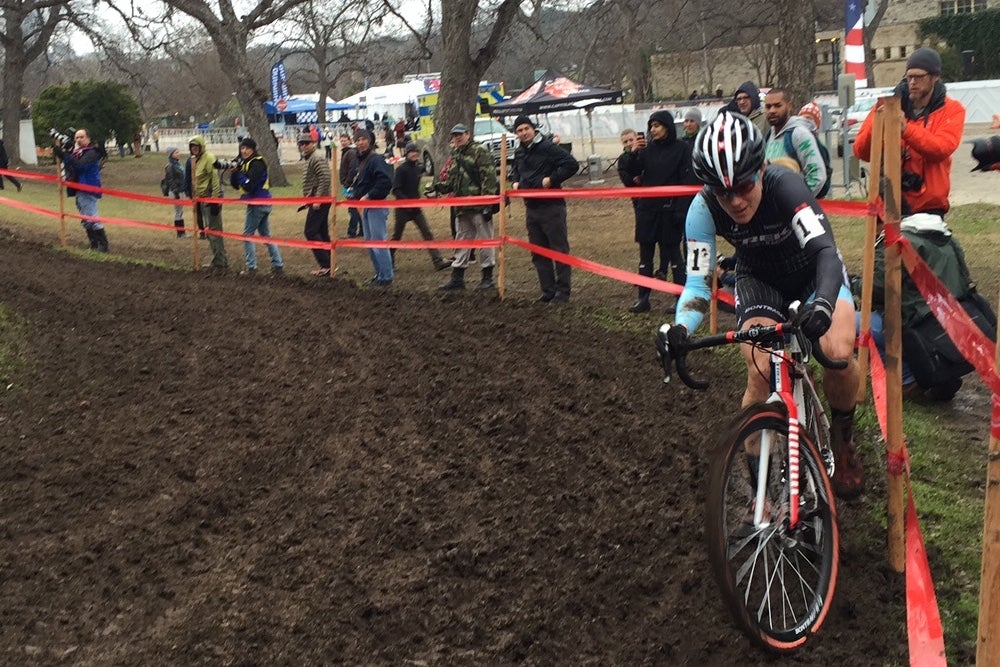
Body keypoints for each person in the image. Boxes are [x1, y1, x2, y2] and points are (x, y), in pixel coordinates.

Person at [655, 111, 864, 500]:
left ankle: (843, 436)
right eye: (722, 191)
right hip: (760, 280)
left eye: (744, 186)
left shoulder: (786, 186)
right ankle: (763, 492)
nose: (734, 201)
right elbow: (698, 284)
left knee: (836, 352)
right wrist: (681, 328)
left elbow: (825, 253)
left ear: (762, 168)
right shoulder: (702, 209)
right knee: (760, 372)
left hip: (813, 272)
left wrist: (821, 303)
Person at [861, 214, 995, 401]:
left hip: (919, 324)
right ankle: (941, 375)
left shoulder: (893, 241)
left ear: (881, 221)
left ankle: (908, 380)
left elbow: (877, 288)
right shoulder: (944, 235)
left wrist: (854, 284)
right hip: (957, 322)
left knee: (853, 323)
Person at [854, 46, 966, 217]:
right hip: (889, 203)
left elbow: (940, 149)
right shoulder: (889, 104)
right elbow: (861, 151)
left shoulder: (952, 110)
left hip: (929, 208)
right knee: (885, 245)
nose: (913, 82)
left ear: (935, 77)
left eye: (919, 77)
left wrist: (906, 129)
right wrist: (878, 124)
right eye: (909, 76)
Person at [620, 110, 696, 313]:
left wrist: (681, 209)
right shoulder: (647, 149)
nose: (653, 130)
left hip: (671, 210)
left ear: (667, 127)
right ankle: (643, 298)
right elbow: (633, 173)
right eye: (651, 126)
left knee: (673, 255)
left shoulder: (682, 148)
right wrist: (633, 152)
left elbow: (687, 180)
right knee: (645, 255)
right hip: (647, 209)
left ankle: (679, 298)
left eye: (657, 125)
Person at [511, 115, 580, 303]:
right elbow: (515, 170)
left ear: (533, 129)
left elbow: (572, 165)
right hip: (531, 207)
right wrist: (516, 181)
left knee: (558, 249)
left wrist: (551, 179)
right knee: (538, 252)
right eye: (519, 130)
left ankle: (563, 292)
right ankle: (547, 290)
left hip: (552, 206)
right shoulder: (519, 152)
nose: (524, 133)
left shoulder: (548, 148)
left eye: (526, 129)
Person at [427, 123, 500, 291]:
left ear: (468, 134)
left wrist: (487, 204)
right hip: (461, 207)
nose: (457, 138)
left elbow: (488, 178)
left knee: (485, 241)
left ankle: (487, 278)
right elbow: (452, 182)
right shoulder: (455, 154)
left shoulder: (479, 151)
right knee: (462, 241)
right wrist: (437, 188)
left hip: (479, 205)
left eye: (460, 134)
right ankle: (457, 278)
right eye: (454, 135)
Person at [391, 142, 450, 272]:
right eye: (411, 152)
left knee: (427, 233)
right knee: (397, 236)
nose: (414, 154)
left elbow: (427, 171)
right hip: (402, 209)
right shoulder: (401, 170)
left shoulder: (418, 168)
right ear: (406, 154)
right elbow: (395, 190)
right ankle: (389, 262)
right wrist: (406, 203)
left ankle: (438, 261)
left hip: (416, 208)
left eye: (416, 152)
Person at [228, 138, 283, 277]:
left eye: (247, 148)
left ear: (253, 149)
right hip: (261, 202)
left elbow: (250, 186)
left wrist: (239, 174)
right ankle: (278, 265)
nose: (244, 151)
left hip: (257, 203)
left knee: (247, 235)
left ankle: (251, 267)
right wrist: (234, 172)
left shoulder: (257, 163)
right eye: (242, 148)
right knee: (265, 236)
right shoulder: (246, 163)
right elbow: (236, 185)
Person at [348, 128, 394, 287]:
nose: (360, 143)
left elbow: (385, 182)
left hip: (376, 204)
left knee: (378, 241)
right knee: (370, 242)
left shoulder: (376, 160)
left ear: (370, 140)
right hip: (365, 206)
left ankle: (386, 276)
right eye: (357, 140)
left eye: (363, 139)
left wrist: (369, 195)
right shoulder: (359, 160)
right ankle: (379, 274)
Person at [763, 88, 828, 198]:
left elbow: (817, 176)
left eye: (778, 105)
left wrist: (797, 202)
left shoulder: (799, 134)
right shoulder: (769, 135)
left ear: (789, 106)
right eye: (768, 107)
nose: (772, 111)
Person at [53, 128, 108, 252]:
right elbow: (71, 165)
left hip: (88, 187)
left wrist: (64, 155)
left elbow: (80, 166)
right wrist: (63, 154)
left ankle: (103, 245)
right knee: (86, 218)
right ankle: (94, 243)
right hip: (78, 188)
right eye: (77, 137)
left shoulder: (92, 152)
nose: (79, 140)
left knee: (92, 216)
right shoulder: (78, 152)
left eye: (81, 137)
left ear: (88, 138)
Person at [185, 135, 227, 273]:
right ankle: (217, 260)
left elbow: (215, 179)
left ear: (202, 146)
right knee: (209, 232)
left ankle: (221, 264)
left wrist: (215, 200)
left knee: (214, 232)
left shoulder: (209, 158)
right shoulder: (194, 160)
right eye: (192, 146)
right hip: (200, 199)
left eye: (196, 146)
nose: (194, 149)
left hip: (210, 198)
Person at [298, 132, 333, 277]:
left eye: (307, 143)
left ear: (313, 143)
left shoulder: (316, 158)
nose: (304, 146)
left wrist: (318, 198)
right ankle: (331, 263)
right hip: (317, 200)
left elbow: (325, 178)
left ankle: (326, 264)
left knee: (311, 231)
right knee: (322, 232)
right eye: (302, 144)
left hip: (320, 201)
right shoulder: (310, 159)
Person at [338, 133, 363, 238]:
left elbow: (353, 169)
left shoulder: (351, 152)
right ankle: (363, 230)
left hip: (351, 185)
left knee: (353, 209)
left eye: (345, 140)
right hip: (348, 184)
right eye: (341, 140)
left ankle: (351, 231)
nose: (343, 142)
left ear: (349, 141)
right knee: (356, 208)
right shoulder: (345, 152)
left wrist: (348, 183)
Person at [163, 147, 187, 238]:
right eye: (176, 152)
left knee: (180, 211)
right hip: (175, 192)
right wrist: (176, 192)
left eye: (178, 152)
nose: (178, 153)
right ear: (171, 154)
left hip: (181, 190)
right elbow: (170, 180)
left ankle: (182, 232)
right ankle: (180, 232)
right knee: (178, 211)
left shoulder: (178, 164)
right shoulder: (170, 166)